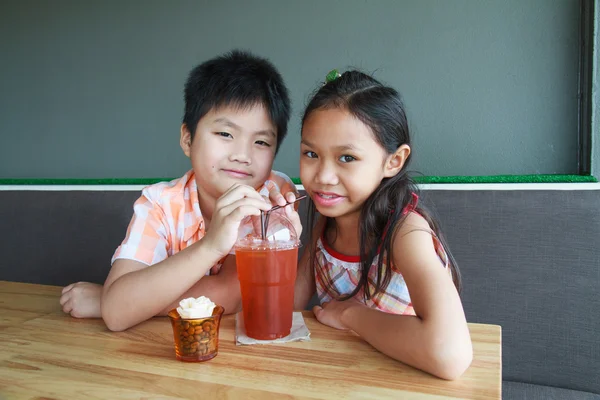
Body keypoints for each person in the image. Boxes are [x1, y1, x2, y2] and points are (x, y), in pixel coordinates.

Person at [60, 50, 300, 331]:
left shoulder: (273, 196)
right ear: (188, 139)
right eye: (225, 134)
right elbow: (117, 314)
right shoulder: (160, 203)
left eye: (261, 142)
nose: (242, 155)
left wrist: (118, 301)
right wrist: (210, 246)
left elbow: (233, 295)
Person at [294, 70, 472, 380]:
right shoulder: (327, 224)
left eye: (346, 158)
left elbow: (449, 355)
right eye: (311, 153)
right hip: (341, 378)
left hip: (402, 383)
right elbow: (284, 308)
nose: (322, 176)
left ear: (393, 161)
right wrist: (270, 230)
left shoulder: (406, 233)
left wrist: (351, 314)